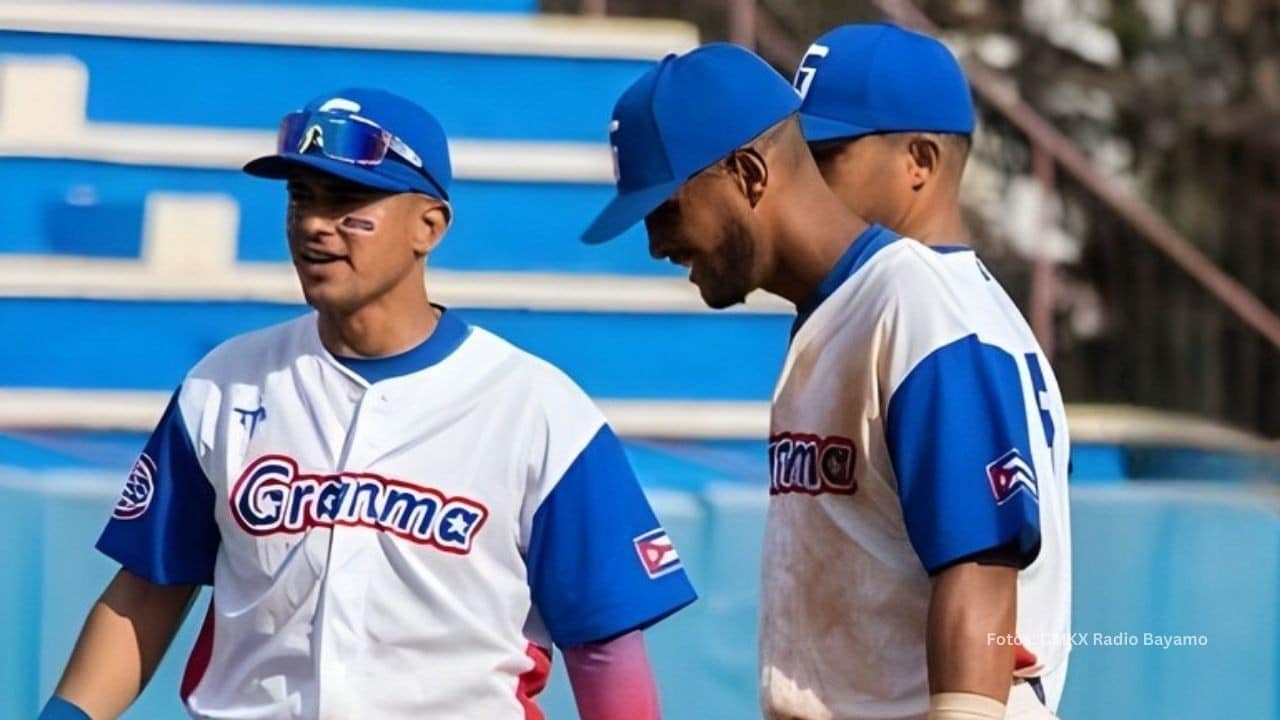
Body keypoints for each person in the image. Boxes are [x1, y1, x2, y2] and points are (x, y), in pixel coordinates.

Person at [40, 87, 695, 720]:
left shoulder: (537, 408)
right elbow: (145, 594)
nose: (315, 225)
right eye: (302, 198)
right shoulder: (225, 383)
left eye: (348, 200)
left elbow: (604, 644)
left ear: (428, 226)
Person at [582, 41, 1068, 720]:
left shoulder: (912, 301)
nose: (656, 243)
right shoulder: (847, 308)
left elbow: (980, 569)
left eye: (666, 208)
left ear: (749, 173)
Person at [795, 24, 1071, 718]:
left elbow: (978, 568)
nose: (804, 181)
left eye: (825, 156)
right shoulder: (913, 302)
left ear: (918, 160)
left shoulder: (935, 313)